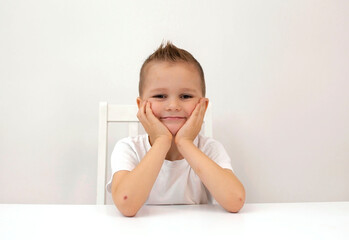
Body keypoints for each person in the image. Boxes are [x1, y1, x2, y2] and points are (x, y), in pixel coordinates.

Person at [106, 42, 245, 217]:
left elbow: (235, 201)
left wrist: (185, 143)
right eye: (160, 96)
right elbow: (126, 204)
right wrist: (161, 141)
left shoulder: (209, 149)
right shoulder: (129, 148)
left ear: (203, 106)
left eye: (185, 96)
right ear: (141, 106)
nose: (173, 106)